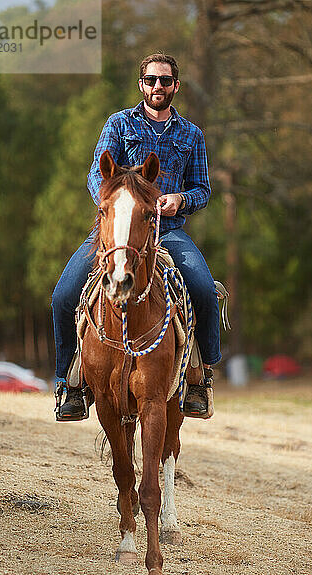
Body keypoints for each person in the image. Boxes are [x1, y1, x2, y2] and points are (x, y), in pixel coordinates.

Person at [52, 52, 221, 420]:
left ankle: (200, 380)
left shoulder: (191, 134)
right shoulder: (118, 123)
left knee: (205, 290)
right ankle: (70, 386)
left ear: (175, 85)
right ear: (141, 84)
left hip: (168, 231)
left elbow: (203, 189)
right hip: (117, 231)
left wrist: (181, 199)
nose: (157, 86)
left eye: (164, 80)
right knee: (63, 295)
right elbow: (97, 175)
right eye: (150, 80)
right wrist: (116, 204)